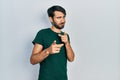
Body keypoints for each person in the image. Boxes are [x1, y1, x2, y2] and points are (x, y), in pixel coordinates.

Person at [30, 5, 75, 80]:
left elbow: (71, 59)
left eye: (64, 17)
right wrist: (48, 51)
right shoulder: (42, 34)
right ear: (51, 19)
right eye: (59, 18)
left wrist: (67, 43)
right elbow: (32, 60)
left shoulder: (65, 36)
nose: (63, 20)